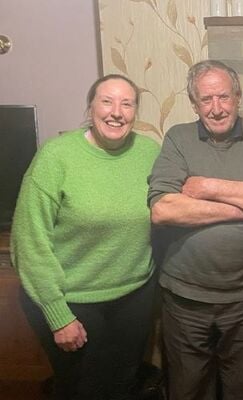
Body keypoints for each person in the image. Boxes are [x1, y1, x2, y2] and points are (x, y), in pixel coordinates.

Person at [147, 60, 243, 400]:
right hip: (185, 299)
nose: (216, 108)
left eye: (224, 97)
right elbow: (163, 208)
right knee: (188, 390)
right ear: (194, 104)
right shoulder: (178, 138)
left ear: (238, 97)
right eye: (206, 100)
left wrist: (205, 186)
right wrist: (240, 208)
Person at [11, 74, 160, 400]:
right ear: (90, 106)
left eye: (127, 103)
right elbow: (29, 241)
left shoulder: (149, 153)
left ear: (135, 111)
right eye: (107, 101)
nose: (116, 112)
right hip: (73, 299)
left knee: (124, 383)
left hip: (134, 296)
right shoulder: (56, 156)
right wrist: (58, 315)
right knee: (83, 390)